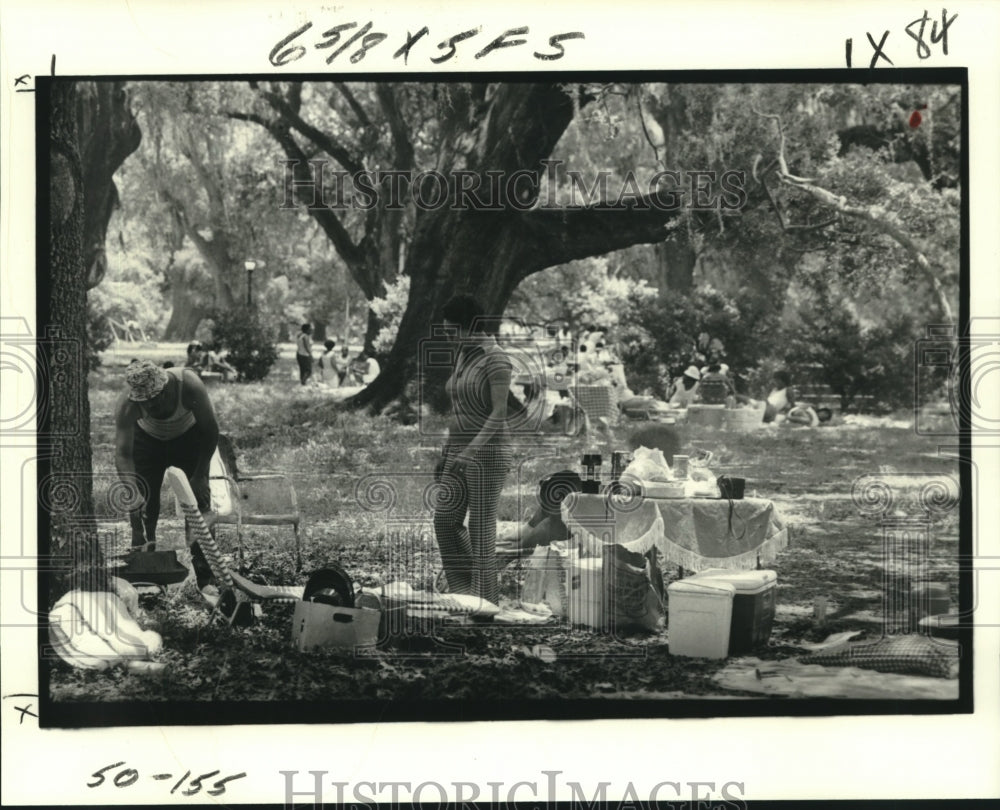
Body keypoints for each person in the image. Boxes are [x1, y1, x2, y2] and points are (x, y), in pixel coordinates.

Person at [432, 294, 513, 607]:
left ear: (470, 328)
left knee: (481, 531)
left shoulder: (497, 359)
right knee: (445, 521)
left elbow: (499, 412)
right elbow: (459, 407)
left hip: (488, 453)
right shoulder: (463, 354)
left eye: (453, 331)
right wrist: (447, 453)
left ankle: (486, 604)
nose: (450, 338)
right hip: (458, 451)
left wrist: (471, 451)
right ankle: (465, 593)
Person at [114, 360, 219, 588]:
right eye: (143, 402)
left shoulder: (188, 384)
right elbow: (123, 454)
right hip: (148, 441)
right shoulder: (127, 405)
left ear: (164, 389)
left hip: (188, 438)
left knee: (197, 504)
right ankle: (142, 571)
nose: (149, 406)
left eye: (153, 399)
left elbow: (211, 430)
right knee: (142, 507)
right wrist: (132, 491)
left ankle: (206, 576)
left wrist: (200, 475)